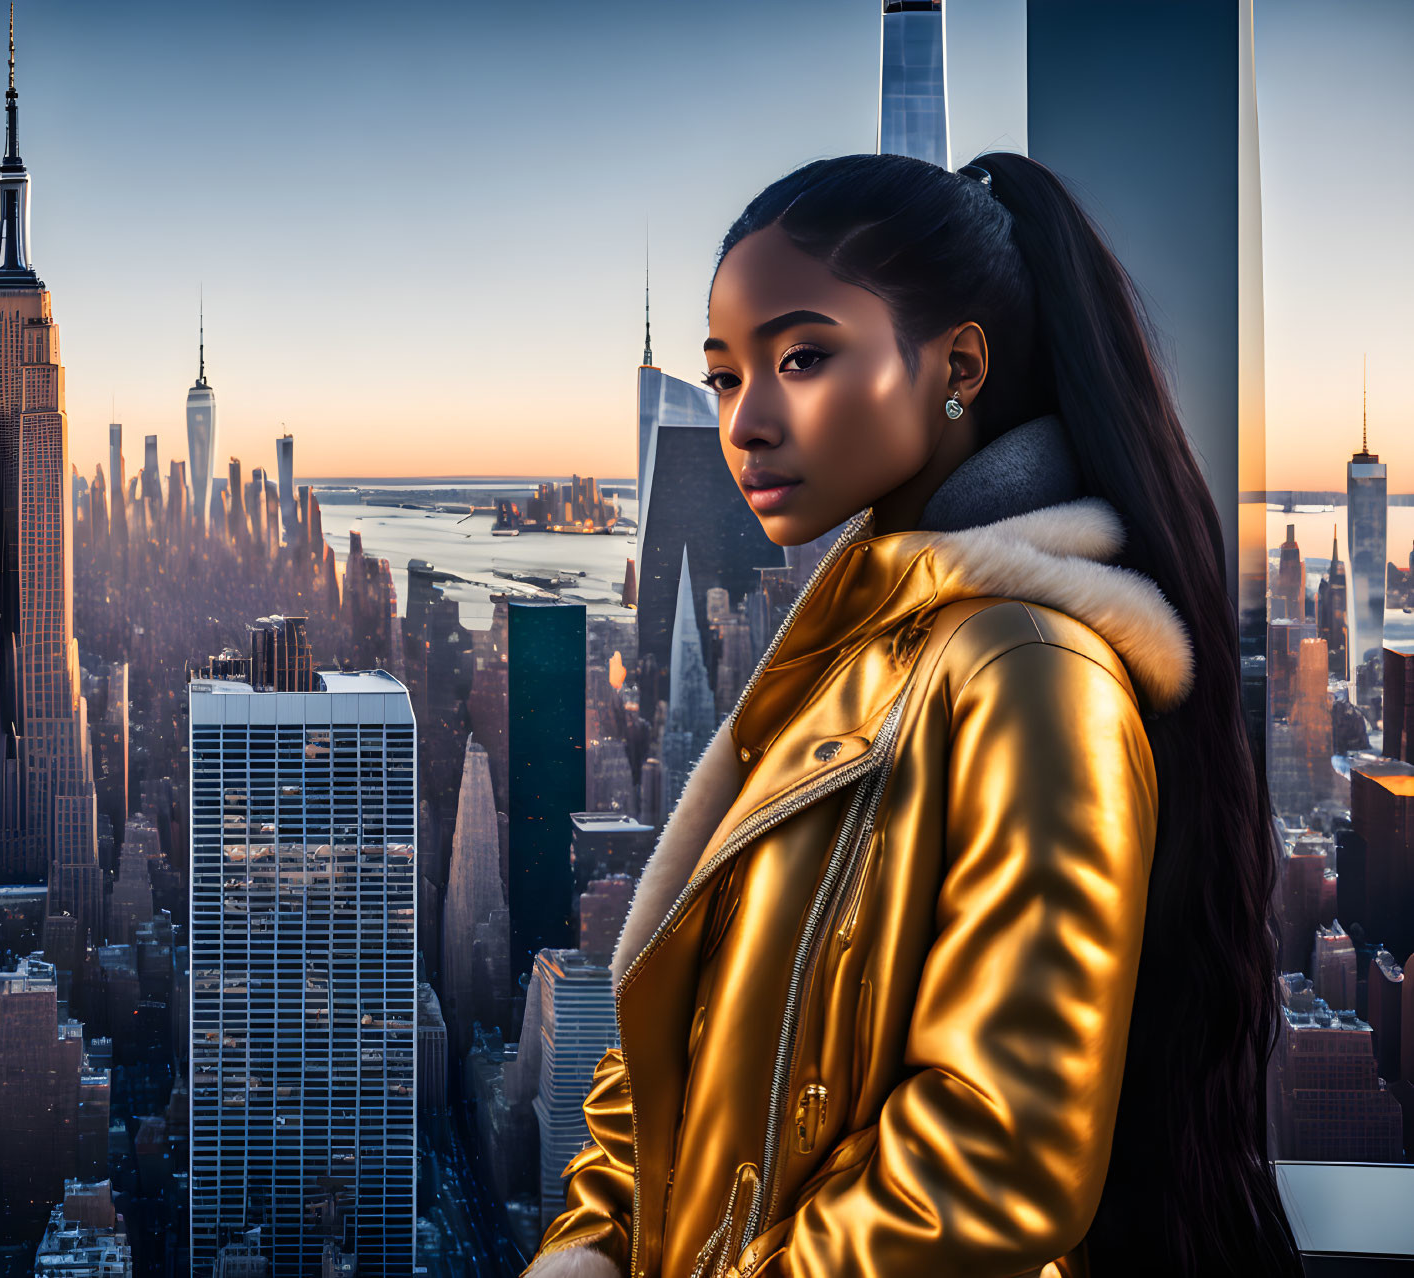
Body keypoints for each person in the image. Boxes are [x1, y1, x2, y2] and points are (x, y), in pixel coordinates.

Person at [522, 152, 1305, 1278]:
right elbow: (682, 1034)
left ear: (958, 367)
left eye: (801, 358)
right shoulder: (858, 655)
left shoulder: (1027, 669)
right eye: (726, 376)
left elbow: (998, 1156)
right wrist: (590, 1249)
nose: (746, 422)